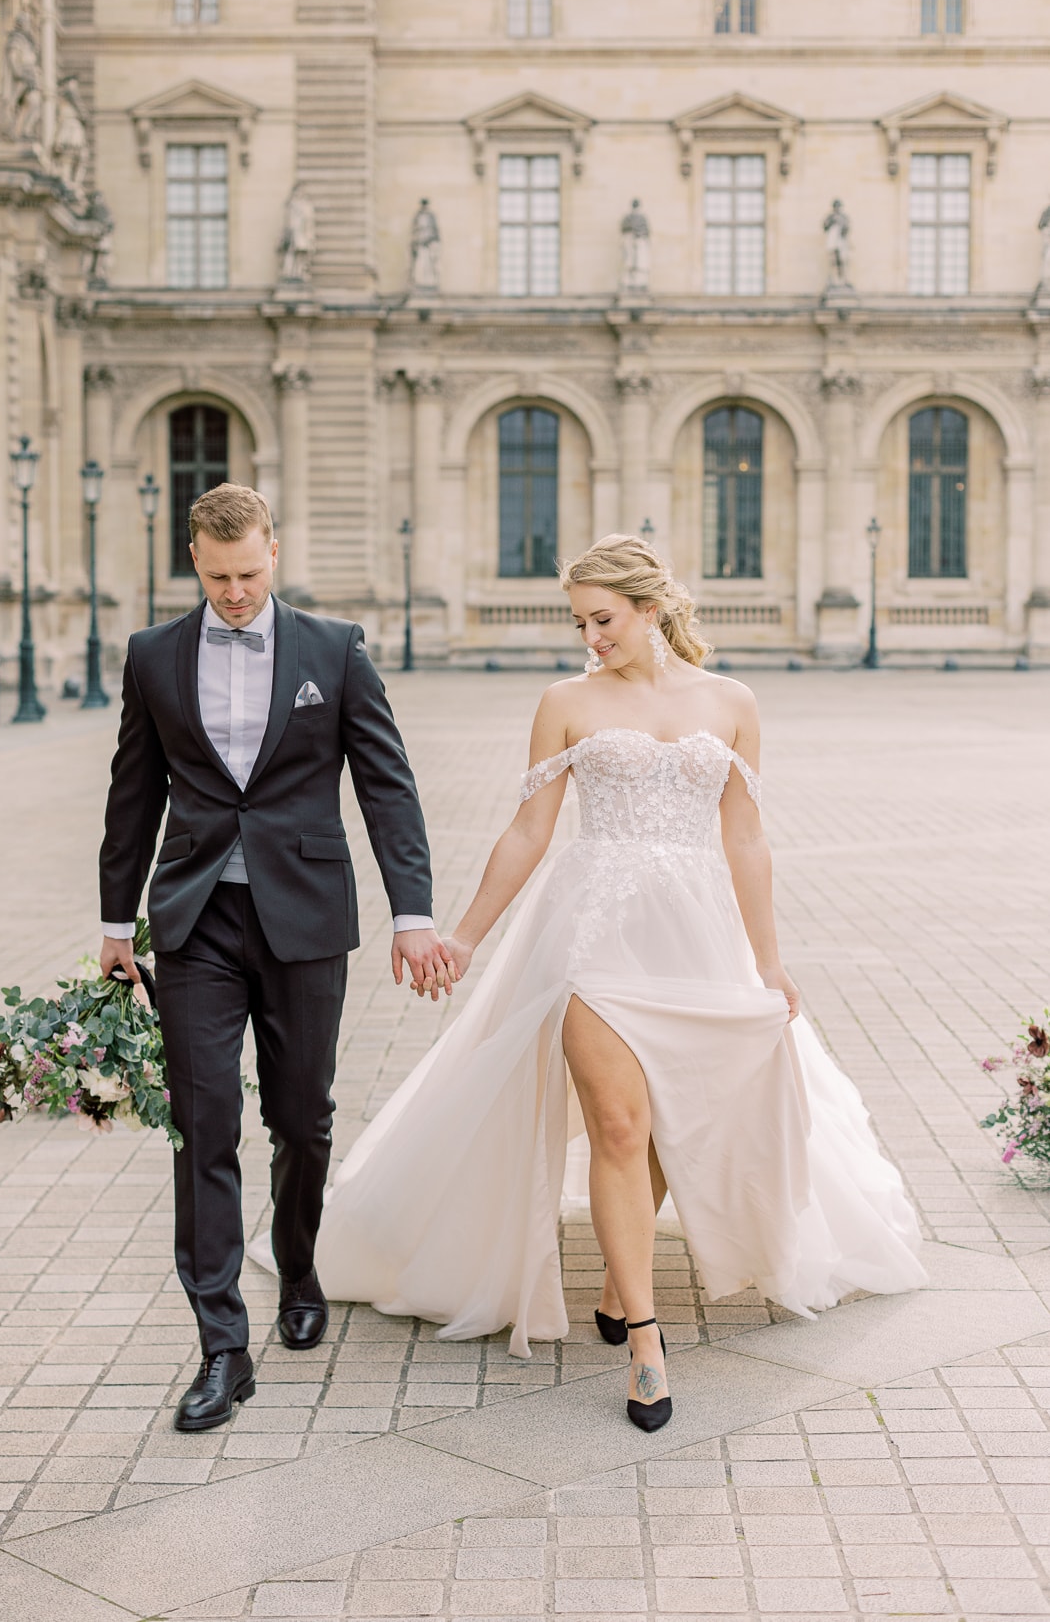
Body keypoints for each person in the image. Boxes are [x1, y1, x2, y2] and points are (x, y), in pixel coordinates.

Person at [310, 534, 926, 1433]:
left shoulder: (734, 702)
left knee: (682, 1122)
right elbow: (529, 832)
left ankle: (614, 1275)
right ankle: (644, 1341)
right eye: (580, 622)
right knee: (620, 1124)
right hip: (594, 934)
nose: (590, 637)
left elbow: (747, 837)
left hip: (700, 937)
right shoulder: (566, 702)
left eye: (603, 619)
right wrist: (467, 937)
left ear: (650, 607)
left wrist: (770, 960)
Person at [98, 483, 456, 1432]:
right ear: (193, 560)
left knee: (302, 1119)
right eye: (217, 577)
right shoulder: (154, 655)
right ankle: (223, 1344)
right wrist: (111, 923)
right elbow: (132, 793)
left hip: (303, 920)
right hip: (195, 923)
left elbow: (387, 784)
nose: (235, 593)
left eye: (249, 574)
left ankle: (299, 1264)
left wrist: (411, 912)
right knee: (203, 1123)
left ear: (275, 552)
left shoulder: (332, 650)